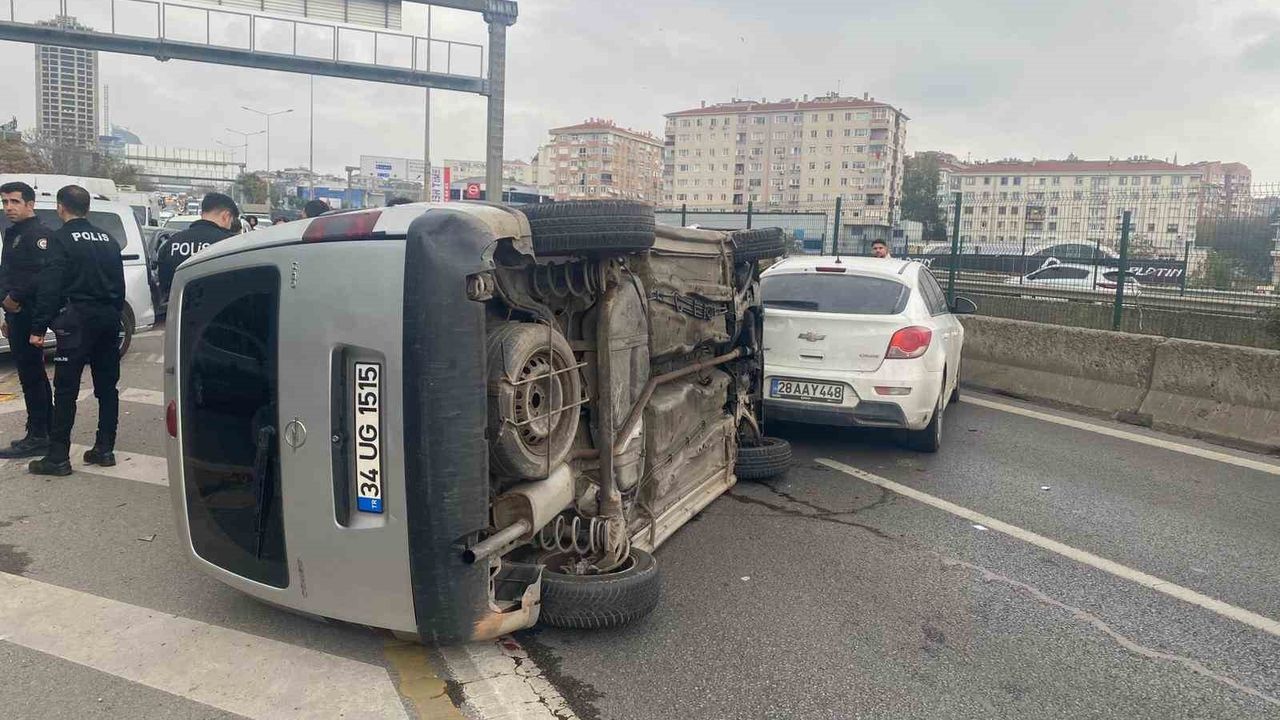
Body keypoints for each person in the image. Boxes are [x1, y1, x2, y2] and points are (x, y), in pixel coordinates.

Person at [27, 185, 125, 476]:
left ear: (60, 208)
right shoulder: (108, 239)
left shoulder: (61, 239)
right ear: (88, 209)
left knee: (66, 389)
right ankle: (104, 449)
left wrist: (38, 327)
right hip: (108, 317)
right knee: (107, 387)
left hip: (77, 319)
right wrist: (114, 313)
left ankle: (58, 457)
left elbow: (51, 285)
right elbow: (118, 284)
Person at [0, 181, 54, 458]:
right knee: (33, 374)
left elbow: (40, 274)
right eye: (5, 202)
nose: (8, 207)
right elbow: (7, 272)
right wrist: (6, 311)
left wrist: (15, 298)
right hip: (16, 314)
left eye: (14, 202)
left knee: (32, 376)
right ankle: (45, 429)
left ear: (30, 204)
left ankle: (38, 435)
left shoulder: (37, 234)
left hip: (30, 312)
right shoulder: (13, 233)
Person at [156, 192, 238, 302]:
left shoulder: (173, 242)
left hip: (176, 311)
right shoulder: (229, 244)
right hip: (215, 311)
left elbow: (163, 281)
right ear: (226, 216)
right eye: (231, 221)